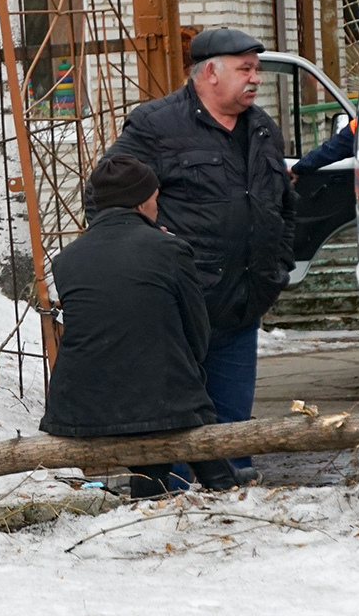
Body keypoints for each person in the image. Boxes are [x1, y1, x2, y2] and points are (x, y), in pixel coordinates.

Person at [90, 27, 295, 474]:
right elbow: (108, 192)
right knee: (174, 418)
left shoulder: (261, 128)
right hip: (181, 303)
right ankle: (172, 508)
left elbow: (282, 204)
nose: (256, 79)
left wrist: (278, 264)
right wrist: (145, 256)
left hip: (243, 303)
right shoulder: (157, 125)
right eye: (246, 69)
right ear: (210, 73)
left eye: (256, 69)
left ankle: (233, 508)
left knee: (232, 425)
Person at [40, 156, 238, 495]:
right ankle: (224, 491)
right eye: (156, 198)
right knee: (169, 404)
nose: (158, 206)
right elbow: (197, 336)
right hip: (161, 400)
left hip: (81, 406)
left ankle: (158, 495)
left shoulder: (66, 260)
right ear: (143, 201)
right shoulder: (170, 250)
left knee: (153, 413)